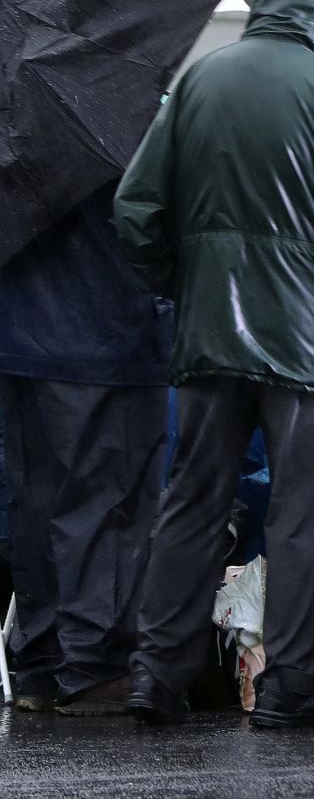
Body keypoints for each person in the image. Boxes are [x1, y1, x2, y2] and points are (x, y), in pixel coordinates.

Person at [114, 0, 314, 729]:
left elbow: (138, 210)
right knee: (300, 513)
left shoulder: (198, 84)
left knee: (192, 503)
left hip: (210, 330)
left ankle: (156, 675)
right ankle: (288, 685)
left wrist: (183, 283)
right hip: (310, 347)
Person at [0, 183, 173, 715]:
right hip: (104, 331)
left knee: (34, 502)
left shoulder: (19, 120)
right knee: (107, 503)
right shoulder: (112, 110)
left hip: (18, 336)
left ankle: (41, 660)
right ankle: (93, 665)